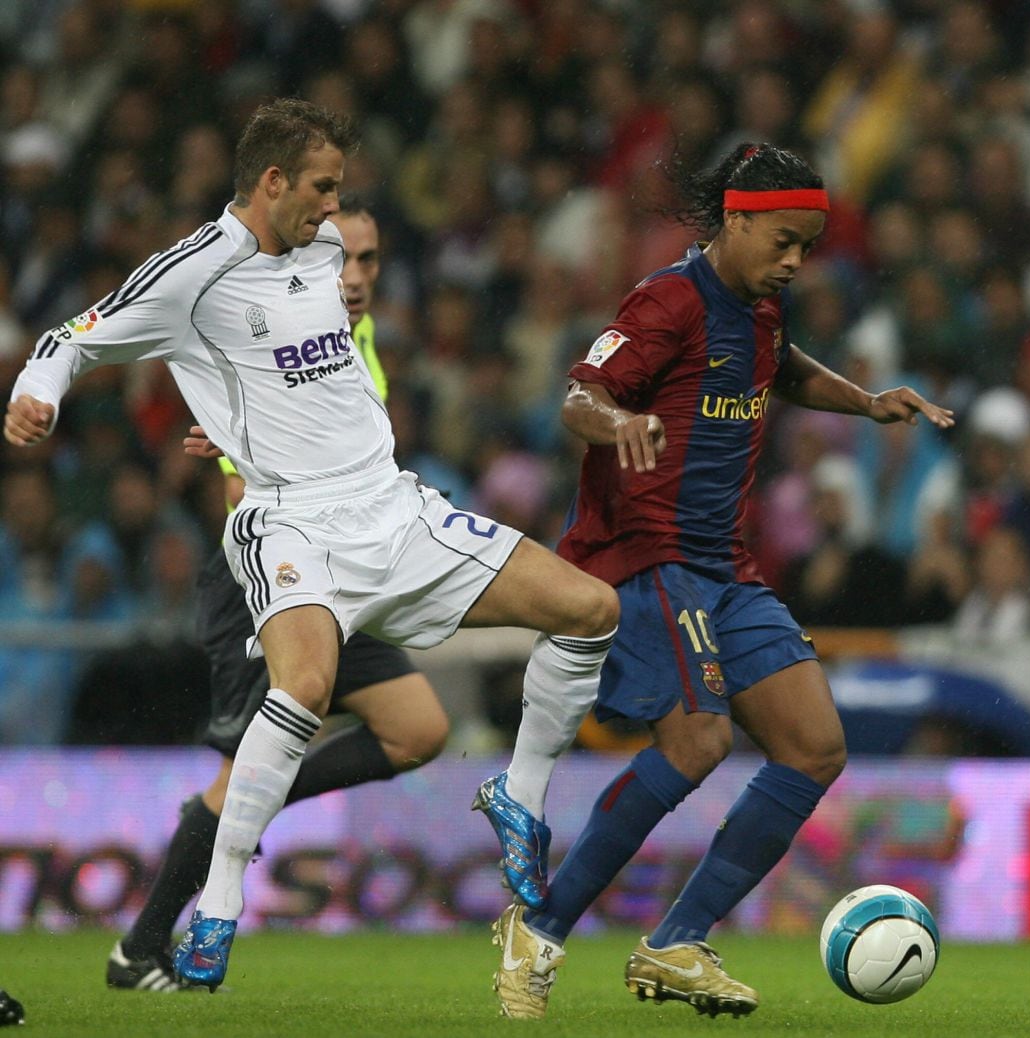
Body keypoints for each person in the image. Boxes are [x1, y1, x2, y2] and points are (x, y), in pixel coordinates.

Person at [5, 98, 620, 992]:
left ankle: (519, 802)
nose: (335, 212)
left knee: (590, 608)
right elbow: (74, 337)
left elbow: (304, 377)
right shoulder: (193, 272)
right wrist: (39, 394)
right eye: (324, 190)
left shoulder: (325, 253)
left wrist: (233, 420)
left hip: (395, 510)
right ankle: (215, 909)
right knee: (305, 688)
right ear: (272, 182)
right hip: (289, 521)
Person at [474, 142, 954, 1019]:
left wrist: (866, 400)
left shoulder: (762, 309)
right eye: (784, 240)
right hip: (646, 556)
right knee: (698, 742)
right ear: (735, 220)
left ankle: (677, 942)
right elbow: (577, 396)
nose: (796, 261)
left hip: (725, 568)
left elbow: (784, 368)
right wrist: (617, 420)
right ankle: (538, 930)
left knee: (814, 747)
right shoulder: (666, 299)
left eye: (808, 245)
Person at [105, 196, 450, 991]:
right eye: (342, 258)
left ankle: (263, 799)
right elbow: (241, 493)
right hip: (271, 580)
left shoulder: (353, 339)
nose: (355, 276)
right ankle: (142, 947)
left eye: (368, 261)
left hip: (343, 573)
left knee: (418, 728)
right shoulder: (269, 337)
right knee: (239, 775)